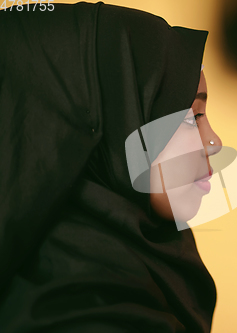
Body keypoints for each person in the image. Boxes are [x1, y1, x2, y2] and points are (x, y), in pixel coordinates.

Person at [0, 2, 220, 332]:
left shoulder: (132, 271)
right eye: (193, 117)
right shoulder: (85, 315)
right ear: (117, 123)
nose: (214, 142)